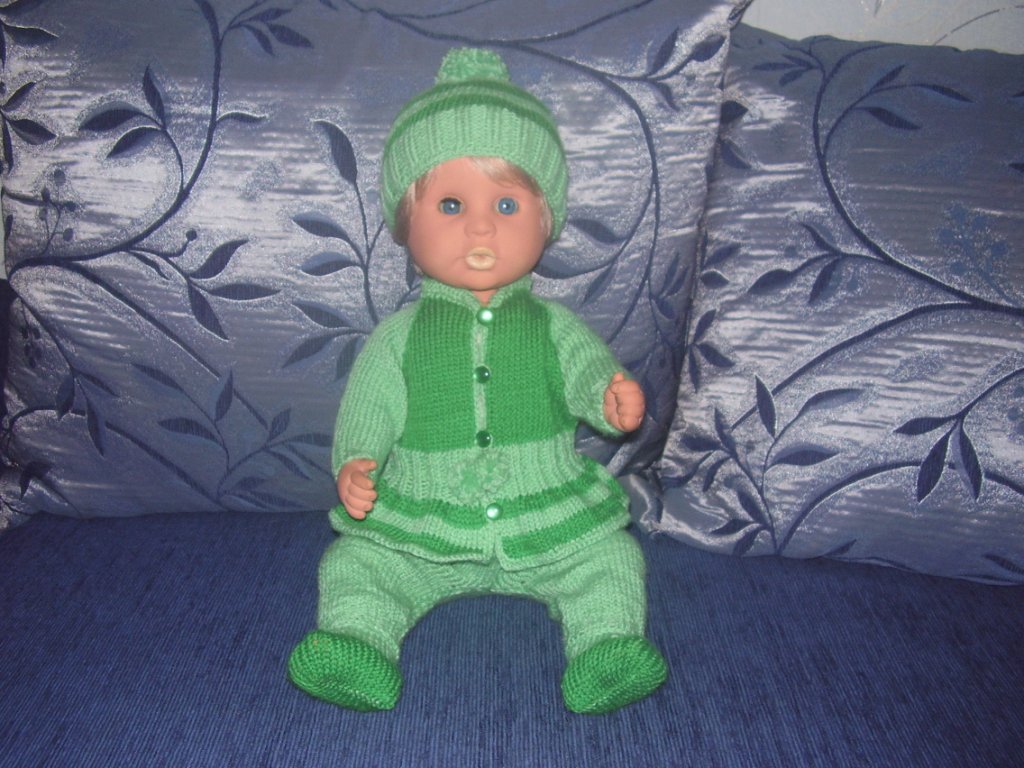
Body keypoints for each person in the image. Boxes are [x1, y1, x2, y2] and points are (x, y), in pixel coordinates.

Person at [287, 47, 667, 715]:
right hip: (422, 526)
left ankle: (606, 647)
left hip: (547, 516)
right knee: (354, 565)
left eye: (508, 204)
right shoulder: (400, 336)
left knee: (612, 560)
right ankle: (357, 641)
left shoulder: (552, 325)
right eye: (452, 203)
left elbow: (587, 374)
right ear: (407, 224)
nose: (481, 225)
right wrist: (356, 461)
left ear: (545, 222)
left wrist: (611, 398)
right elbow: (371, 406)